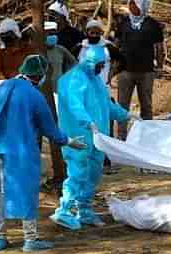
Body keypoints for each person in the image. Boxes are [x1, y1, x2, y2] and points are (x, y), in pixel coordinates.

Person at [0, 55, 86, 252]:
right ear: (40, 75)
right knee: (27, 192)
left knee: (1, 194)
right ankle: (30, 239)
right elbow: (49, 129)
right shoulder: (35, 96)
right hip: (22, 151)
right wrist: (68, 141)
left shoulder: (4, 87)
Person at [50, 46, 134, 230]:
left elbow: (107, 106)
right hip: (78, 134)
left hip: (97, 137)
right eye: (99, 65)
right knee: (77, 173)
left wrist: (126, 115)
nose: (100, 68)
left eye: (103, 65)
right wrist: (87, 122)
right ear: (89, 62)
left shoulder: (96, 81)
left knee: (94, 173)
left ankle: (84, 209)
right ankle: (64, 210)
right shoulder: (71, 80)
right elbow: (75, 105)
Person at [116, 0, 164, 140]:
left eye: (135, 4)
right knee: (122, 105)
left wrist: (160, 67)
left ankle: (146, 137)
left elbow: (159, 47)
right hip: (125, 71)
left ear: (142, 5)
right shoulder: (123, 22)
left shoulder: (153, 24)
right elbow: (117, 44)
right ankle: (121, 137)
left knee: (146, 106)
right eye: (130, 3)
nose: (131, 6)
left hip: (146, 71)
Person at [74, 19, 121, 89]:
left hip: (103, 86)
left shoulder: (108, 46)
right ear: (87, 32)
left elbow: (119, 61)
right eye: (92, 33)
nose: (94, 35)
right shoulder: (80, 47)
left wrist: (111, 74)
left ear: (101, 33)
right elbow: (71, 63)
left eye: (97, 33)